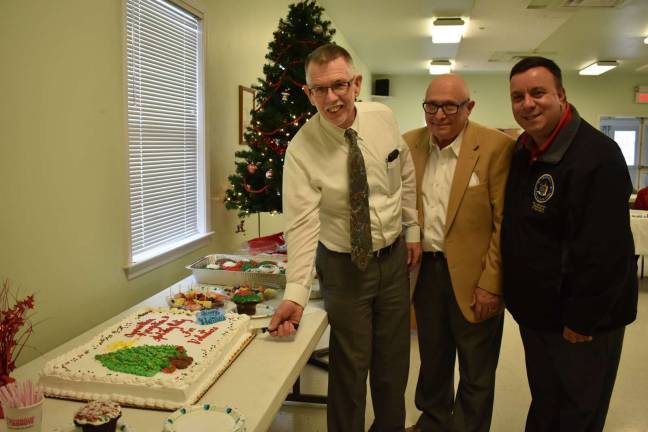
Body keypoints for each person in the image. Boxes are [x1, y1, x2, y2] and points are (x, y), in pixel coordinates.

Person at [268, 43, 421, 432]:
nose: (331, 98)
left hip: (393, 257)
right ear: (308, 93)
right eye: (319, 89)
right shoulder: (302, 148)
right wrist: (295, 292)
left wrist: (412, 228)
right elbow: (302, 224)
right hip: (344, 265)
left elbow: (403, 171)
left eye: (339, 85)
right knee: (350, 368)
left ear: (356, 83)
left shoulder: (382, 117)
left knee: (393, 363)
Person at [502, 56, 638, 432]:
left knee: (579, 411)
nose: (527, 104)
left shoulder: (598, 156)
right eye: (517, 97)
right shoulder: (524, 151)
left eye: (538, 93)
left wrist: (582, 317)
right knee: (547, 401)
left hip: (583, 321)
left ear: (561, 95)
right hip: (540, 315)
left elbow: (607, 252)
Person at [403, 75, 514, 432]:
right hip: (427, 272)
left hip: (475, 277)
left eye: (450, 106)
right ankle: (433, 422)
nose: (439, 115)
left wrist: (492, 284)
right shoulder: (409, 144)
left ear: (469, 107)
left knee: (476, 369)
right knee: (433, 361)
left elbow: (504, 224)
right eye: (431, 105)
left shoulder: (496, 147)